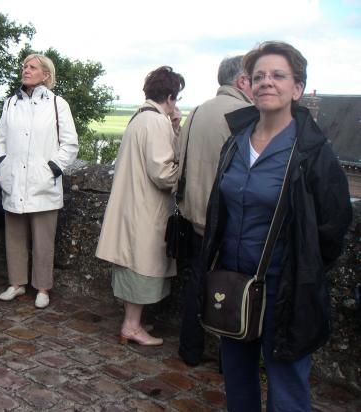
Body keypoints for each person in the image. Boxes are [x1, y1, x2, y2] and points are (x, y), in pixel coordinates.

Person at [201, 41, 352, 411]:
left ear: (297, 89)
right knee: (237, 380)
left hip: (288, 291)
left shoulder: (311, 151)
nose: (267, 82)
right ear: (248, 86)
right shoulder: (235, 143)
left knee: (287, 388)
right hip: (236, 282)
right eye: (259, 76)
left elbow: (334, 224)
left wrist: (305, 268)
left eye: (278, 75)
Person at [96, 66, 185, 346]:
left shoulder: (140, 117)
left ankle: (131, 321)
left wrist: (174, 127)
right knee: (140, 265)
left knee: (131, 261)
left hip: (132, 204)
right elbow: (161, 172)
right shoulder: (156, 122)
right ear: (170, 96)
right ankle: (131, 326)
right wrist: (182, 175)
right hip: (145, 208)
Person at [177, 55, 253, 366]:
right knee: (232, 289)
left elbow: (179, 162)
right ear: (241, 81)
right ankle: (228, 359)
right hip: (228, 219)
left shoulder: (196, 112)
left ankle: (190, 350)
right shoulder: (246, 114)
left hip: (194, 214)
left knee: (197, 281)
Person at [0, 54, 78, 309]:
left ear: (46, 75)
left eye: (32, 67)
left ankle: (42, 287)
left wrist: (51, 168)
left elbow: (70, 143)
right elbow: (0, 139)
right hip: (14, 180)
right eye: (24, 67)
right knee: (15, 237)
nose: (26, 70)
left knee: (43, 240)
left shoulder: (57, 104)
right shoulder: (10, 104)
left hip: (43, 184)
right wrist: (1, 164)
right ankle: (17, 284)